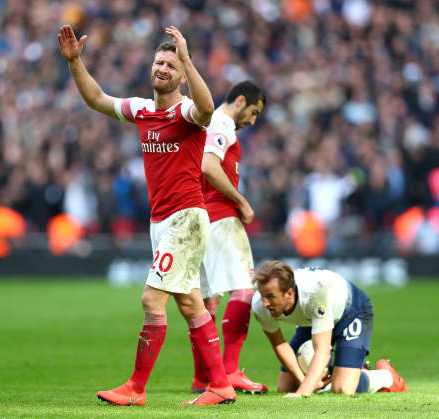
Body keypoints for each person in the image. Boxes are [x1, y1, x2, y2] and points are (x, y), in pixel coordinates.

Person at [58, 25, 236, 406]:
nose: (163, 69)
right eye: (159, 62)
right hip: (161, 222)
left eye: (172, 65)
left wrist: (188, 58)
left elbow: (206, 108)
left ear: (182, 75)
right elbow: (96, 98)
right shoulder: (141, 109)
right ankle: (221, 385)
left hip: (186, 219)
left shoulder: (185, 111)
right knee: (190, 303)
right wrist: (75, 63)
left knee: (151, 301)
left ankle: (136, 388)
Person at [190, 81, 267, 394]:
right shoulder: (222, 122)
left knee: (207, 300)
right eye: (253, 112)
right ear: (240, 101)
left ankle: (204, 377)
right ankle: (230, 371)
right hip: (221, 216)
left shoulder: (205, 123)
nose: (253, 121)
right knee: (244, 290)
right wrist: (241, 200)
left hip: (199, 218)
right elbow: (209, 166)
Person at [251, 260, 407, 396]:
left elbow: (323, 351)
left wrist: (303, 392)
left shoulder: (315, 293)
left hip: (351, 312)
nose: (265, 303)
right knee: (285, 387)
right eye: (262, 295)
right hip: (313, 318)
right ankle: (341, 371)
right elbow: (279, 344)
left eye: (270, 296)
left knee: (342, 389)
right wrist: (302, 380)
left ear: (289, 293)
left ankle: (385, 376)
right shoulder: (260, 304)